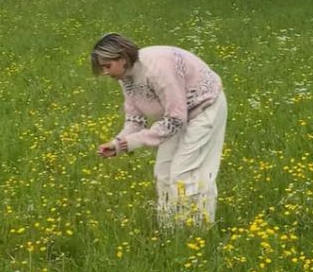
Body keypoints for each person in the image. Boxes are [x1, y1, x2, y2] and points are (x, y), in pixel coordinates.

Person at [91, 32, 228, 226]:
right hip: (175, 116)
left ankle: (198, 232)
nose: (105, 72)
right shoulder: (126, 77)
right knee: (163, 173)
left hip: (203, 108)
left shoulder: (157, 68)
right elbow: (135, 120)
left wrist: (130, 143)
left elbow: (175, 119)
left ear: (122, 58)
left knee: (185, 174)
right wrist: (117, 144)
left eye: (107, 66)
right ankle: (170, 231)